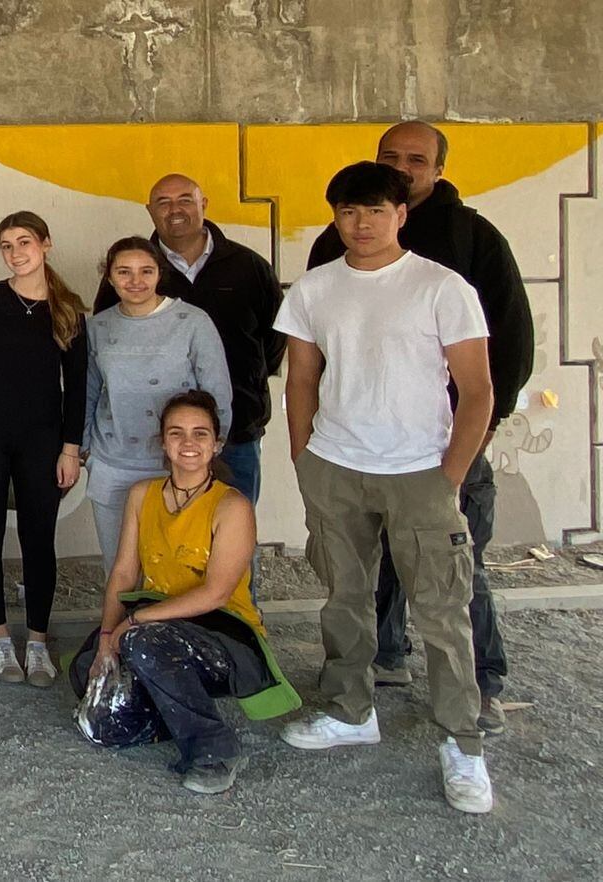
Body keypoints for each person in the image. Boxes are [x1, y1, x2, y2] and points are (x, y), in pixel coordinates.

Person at [277, 161, 495, 814]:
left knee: (442, 611)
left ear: (401, 214)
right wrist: (304, 459)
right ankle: (350, 709)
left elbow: (477, 391)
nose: (360, 224)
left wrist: (448, 476)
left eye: (375, 210)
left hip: (420, 472)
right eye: (347, 211)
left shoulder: (440, 287)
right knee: (345, 598)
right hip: (337, 468)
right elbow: (301, 380)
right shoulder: (315, 289)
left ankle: (463, 743)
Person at [308, 122, 534, 733]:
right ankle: (383, 662)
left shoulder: (470, 242)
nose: (403, 166)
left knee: (457, 573)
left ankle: (480, 686)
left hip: (443, 443)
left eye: (417, 159)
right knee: (362, 568)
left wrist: (469, 446)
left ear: (435, 171)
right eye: (392, 156)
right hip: (352, 449)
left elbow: (507, 346)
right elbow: (318, 357)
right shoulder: (332, 249)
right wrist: (315, 447)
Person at [69, 392, 299, 795]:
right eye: (176, 433)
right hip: (159, 628)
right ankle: (172, 714)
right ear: (163, 442)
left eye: (200, 434)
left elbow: (215, 594)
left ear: (216, 444)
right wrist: (107, 637)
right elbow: (124, 572)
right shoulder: (143, 495)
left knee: (141, 643)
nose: (188, 443)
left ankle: (214, 749)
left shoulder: (231, 506)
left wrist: (132, 623)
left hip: (224, 636)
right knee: (89, 678)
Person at [93, 174, 283, 509]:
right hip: (151, 443)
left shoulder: (249, 266)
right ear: (150, 211)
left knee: (230, 537)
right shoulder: (134, 270)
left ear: (203, 204)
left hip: (236, 430)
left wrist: (244, 385)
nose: (175, 209)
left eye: (185, 199)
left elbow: (275, 339)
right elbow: (106, 348)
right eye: (163, 202)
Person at [0, 211, 88, 688]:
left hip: (44, 440)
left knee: (39, 540)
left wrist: (70, 448)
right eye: (7, 245)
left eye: (25, 242)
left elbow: (77, 386)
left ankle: (37, 641)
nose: (16, 253)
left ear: (46, 245)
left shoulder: (68, 307)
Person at [84, 237, 233, 575]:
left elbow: (217, 393)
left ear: (159, 274)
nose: (135, 281)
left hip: (178, 463)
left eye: (145, 271)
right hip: (113, 460)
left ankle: (175, 629)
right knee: (120, 564)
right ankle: (119, 628)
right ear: (108, 277)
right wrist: (84, 450)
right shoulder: (98, 327)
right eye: (124, 272)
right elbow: (89, 391)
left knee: (177, 565)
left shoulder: (192, 322)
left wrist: (209, 450)